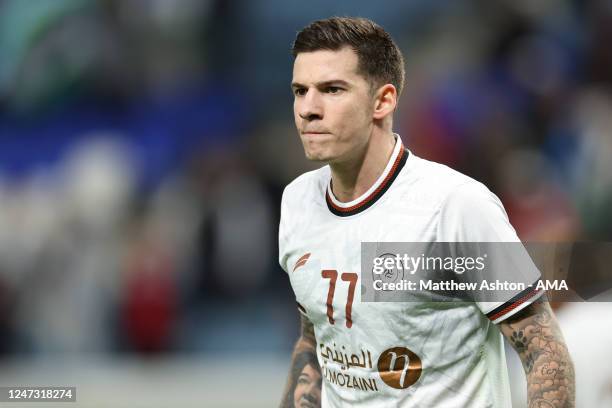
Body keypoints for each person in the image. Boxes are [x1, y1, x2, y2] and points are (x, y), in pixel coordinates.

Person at [278, 17, 574, 407]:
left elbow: (544, 353)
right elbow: (316, 337)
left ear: (382, 101)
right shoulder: (297, 201)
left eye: (332, 89)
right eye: (301, 91)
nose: (308, 109)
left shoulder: (456, 206)